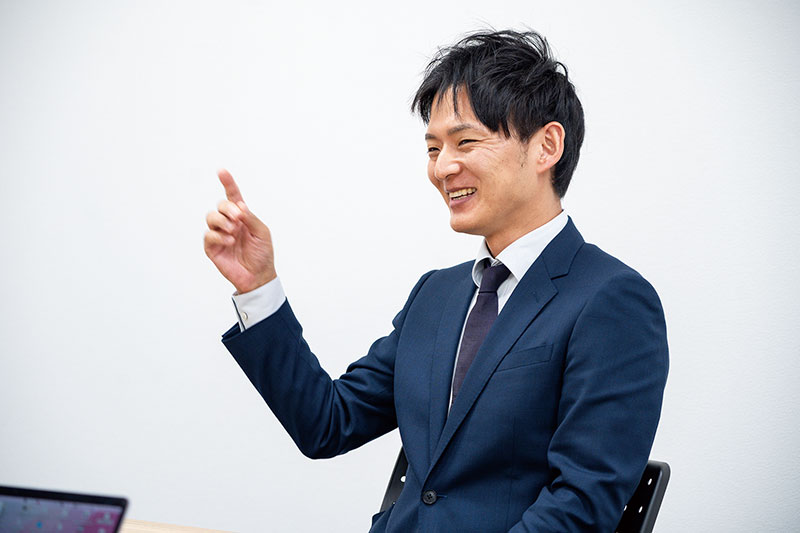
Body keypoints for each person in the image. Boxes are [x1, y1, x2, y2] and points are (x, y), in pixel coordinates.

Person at [204, 30, 668, 532]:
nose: (443, 167)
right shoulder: (435, 295)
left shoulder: (612, 300)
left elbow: (581, 505)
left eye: (465, 141)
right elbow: (326, 424)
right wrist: (258, 287)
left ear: (546, 147)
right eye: (432, 148)